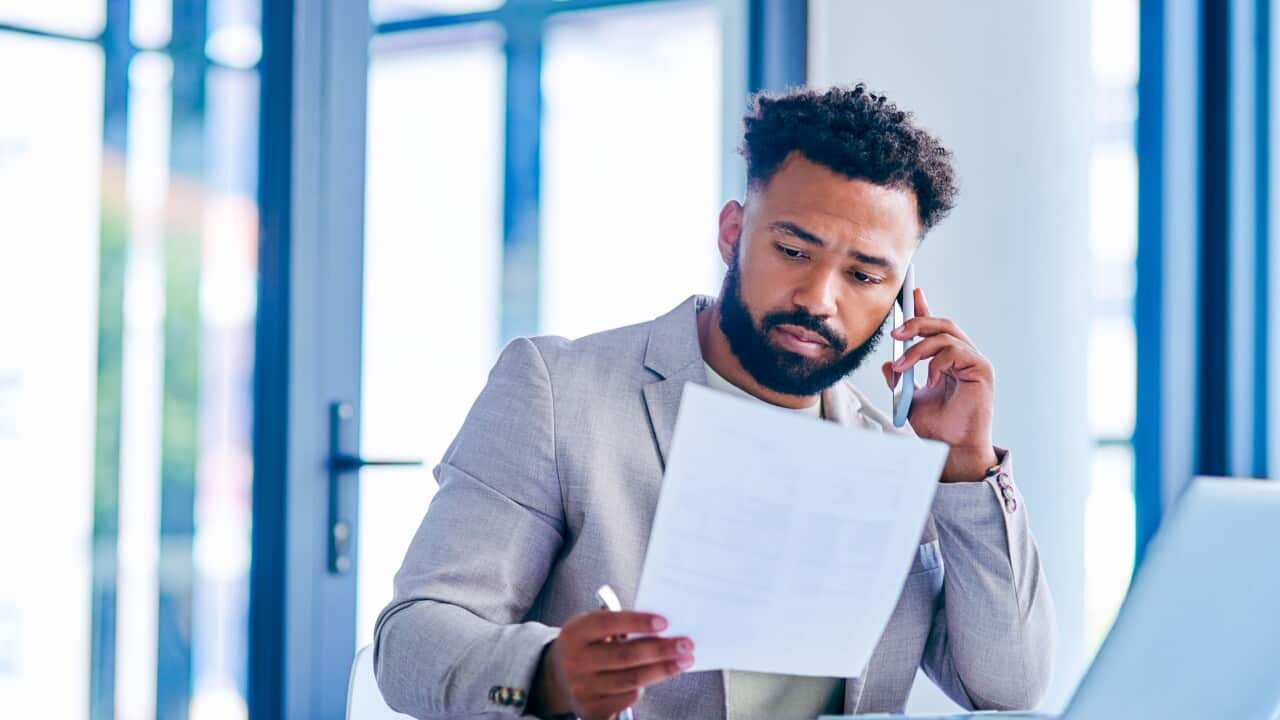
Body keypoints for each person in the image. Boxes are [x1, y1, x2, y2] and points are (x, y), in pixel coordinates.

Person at [373, 84, 1054, 720]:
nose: (820, 299)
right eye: (792, 249)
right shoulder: (560, 391)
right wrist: (546, 672)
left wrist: (967, 467)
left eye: (864, 274)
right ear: (732, 234)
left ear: (902, 296)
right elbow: (411, 639)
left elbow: (1004, 683)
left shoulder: (898, 460)